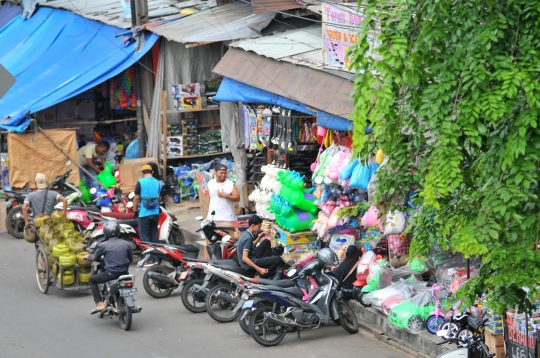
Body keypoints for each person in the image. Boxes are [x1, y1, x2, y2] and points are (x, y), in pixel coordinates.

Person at [85, 221, 133, 314]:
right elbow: (130, 259)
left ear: (105, 232)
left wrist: (87, 257)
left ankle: (100, 304)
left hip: (111, 274)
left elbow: (94, 257)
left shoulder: (103, 245)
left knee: (92, 280)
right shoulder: (126, 243)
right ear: (118, 231)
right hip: (125, 274)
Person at [132, 165, 162, 264]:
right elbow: (160, 198)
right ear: (152, 172)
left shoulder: (140, 182)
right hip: (155, 213)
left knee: (145, 237)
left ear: (142, 173)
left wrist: (135, 210)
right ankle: (156, 258)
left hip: (144, 214)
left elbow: (136, 198)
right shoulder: (158, 183)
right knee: (154, 235)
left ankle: (149, 260)